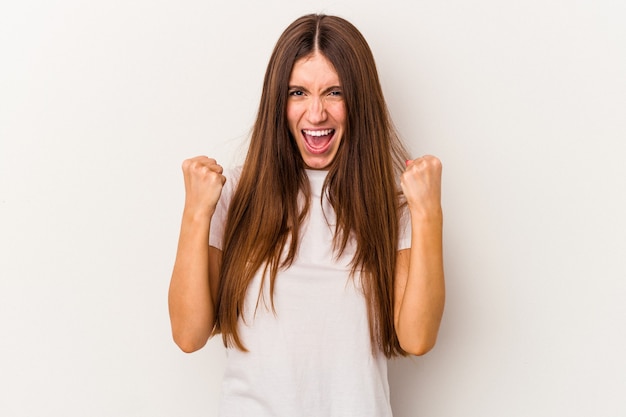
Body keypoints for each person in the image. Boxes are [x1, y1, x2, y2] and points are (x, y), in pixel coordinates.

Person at [168, 13, 445, 416]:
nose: (316, 114)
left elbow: (416, 338)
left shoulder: (394, 205)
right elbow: (188, 334)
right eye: (298, 92)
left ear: (359, 101)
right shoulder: (235, 195)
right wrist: (196, 212)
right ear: (278, 101)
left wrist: (428, 213)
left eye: (334, 92)